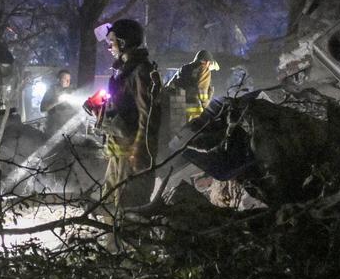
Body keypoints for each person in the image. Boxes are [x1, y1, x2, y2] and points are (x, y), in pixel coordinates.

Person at [91, 18, 161, 213]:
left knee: (128, 209)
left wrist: (140, 151)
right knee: (110, 206)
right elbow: (122, 109)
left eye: (111, 41)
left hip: (131, 155)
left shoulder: (141, 71)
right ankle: (112, 243)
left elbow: (148, 115)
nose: (109, 47)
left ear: (123, 43)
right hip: (118, 152)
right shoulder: (123, 71)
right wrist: (99, 110)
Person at [175, 49, 216, 123]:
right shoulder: (203, 68)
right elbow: (202, 90)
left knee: (181, 130)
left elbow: (173, 83)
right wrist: (206, 104)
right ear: (207, 61)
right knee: (194, 129)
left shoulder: (184, 68)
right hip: (193, 106)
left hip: (178, 105)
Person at [39, 69, 77, 135]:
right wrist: (56, 102)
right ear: (58, 80)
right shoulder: (51, 91)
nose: (68, 81)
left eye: (69, 79)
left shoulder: (73, 91)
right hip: (54, 129)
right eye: (65, 79)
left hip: (69, 129)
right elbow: (42, 108)